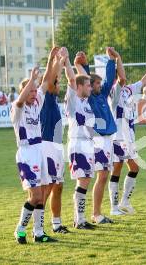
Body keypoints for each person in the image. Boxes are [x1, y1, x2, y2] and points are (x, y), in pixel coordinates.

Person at [11, 50, 60, 244]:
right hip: (26, 154)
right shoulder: (18, 108)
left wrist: (52, 60)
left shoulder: (37, 103)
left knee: (42, 194)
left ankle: (39, 233)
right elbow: (21, 100)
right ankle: (20, 229)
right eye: (30, 90)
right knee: (35, 196)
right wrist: (31, 79)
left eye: (34, 90)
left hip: (39, 150)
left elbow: (47, 81)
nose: (34, 93)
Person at [108, 52, 146, 215]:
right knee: (117, 169)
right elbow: (122, 78)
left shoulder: (128, 90)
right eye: (121, 73)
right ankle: (114, 207)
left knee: (134, 168)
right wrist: (118, 58)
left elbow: (144, 81)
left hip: (128, 137)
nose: (124, 76)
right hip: (118, 137)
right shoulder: (113, 92)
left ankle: (124, 202)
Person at [74, 48, 118, 224]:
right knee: (101, 176)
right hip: (98, 139)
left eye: (99, 84)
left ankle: (96, 213)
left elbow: (109, 80)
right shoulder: (90, 97)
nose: (100, 86)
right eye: (96, 84)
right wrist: (82, 64)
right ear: (90, 86)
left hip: (108, 139)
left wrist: (111, 60)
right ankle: (96, 214)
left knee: (104, 175)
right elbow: (84, 78)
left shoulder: (102, 95)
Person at [39, 47, 70, 234]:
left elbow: (51, 79)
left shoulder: (52, 99)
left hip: (57, 146)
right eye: (58, 83)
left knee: (57, 186)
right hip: (47, 146)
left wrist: (57, 59)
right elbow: (50, 79)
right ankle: (38, 226)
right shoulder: (46, 97)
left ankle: (57, 224)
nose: (59, 85)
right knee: (47, 188)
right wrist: (57, 59)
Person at [65, 55, 96, 229]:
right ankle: (79, 220)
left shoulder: (85, 102)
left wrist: (80, 65)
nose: (91, 87)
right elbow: (71, 78)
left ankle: (81, 219)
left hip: (87, 144)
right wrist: (67, 61)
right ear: (79, 87)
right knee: (82, 181)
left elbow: (82, 78)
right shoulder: (73, 100)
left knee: (85, 181)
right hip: (77, 144)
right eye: (88, 85)